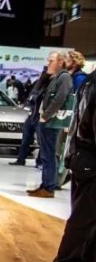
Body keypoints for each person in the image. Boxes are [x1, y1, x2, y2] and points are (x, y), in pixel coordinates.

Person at [52, 68, 96, 262]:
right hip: (90, 159)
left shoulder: (90, 81)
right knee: (84, 215)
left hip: (84, 156)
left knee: (88, 215)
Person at [27, 51, 74, 198]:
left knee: (49, 155)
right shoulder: (53, 77)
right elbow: (36, 91)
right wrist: (45, 75)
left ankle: (48, 187)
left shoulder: (64, 77)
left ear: (60, 62)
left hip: (50, 122)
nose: (48, 63)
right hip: (44, 120)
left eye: (51, 61)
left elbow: (60, 97)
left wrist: (46, 116)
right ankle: (45, 185)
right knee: (46, 155)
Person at [57, 51, 88, 187]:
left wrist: (70, 122)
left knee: (64, 149)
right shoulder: (73, 77)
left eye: (68, 60)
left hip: (70, 120)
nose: (65, 62)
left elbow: (76, 102)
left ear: (74, 62)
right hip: (68, 119)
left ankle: (59, 179)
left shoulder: (79, 79)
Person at [10, 66, 51, 167]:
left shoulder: (50, 85)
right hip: (32, 114)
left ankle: (39, 162)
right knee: (26, 139)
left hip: (40, 115)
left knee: (42, 141)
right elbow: (31, 96)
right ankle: (21, 159)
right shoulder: (37, 83)